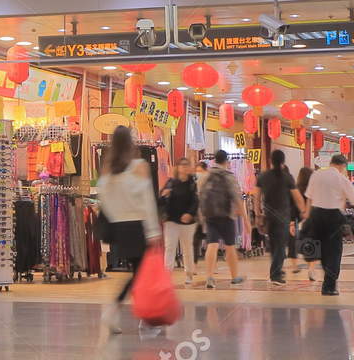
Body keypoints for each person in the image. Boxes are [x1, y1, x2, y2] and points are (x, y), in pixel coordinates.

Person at [96, 125, 161, 332]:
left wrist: (117, 218)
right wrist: (153, 231)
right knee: (141, 274)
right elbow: (147, 201)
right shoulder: (139, 166)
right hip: (138, 225)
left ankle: (130, 314)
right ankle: (126, 312)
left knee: (138, 273)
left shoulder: (108, 169)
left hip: (120, 228)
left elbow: (103, 199)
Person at [301, 153, 354, 295]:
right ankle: (329, 286)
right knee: (334, 252)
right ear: (342, 166)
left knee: (321, 249)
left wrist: (307, 216)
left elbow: (309, 198)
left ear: (331, 162)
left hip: (316, 215)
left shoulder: (316, 175)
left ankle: (325, 278)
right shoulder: (342, 179)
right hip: (333, 217)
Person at [198, 150, 248, 288]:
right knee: (230, 246)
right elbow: (237, 199)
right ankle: (234, 277)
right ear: (226, 161)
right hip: (226, 216)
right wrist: (245, 220)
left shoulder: (206, 175)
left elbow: (200, 195)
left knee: (212, 245)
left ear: (214, 160)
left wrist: (202, 215)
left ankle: (209, 277)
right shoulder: (229, 176)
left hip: (210, 215)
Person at [255, 149, 297, 285]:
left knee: (274, 245)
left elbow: (256, 196)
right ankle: (276, 274)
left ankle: (277, 270)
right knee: (279, 245)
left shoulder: (263, 176)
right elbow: (296, 196)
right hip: (283, 216)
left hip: (269, 216)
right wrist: (303, 210)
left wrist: (257, 213)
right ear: (283, 161)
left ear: (270, 161)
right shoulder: (287, 177)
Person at [159, 156, 200, 286]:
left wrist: (190, 213)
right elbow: (160, 200)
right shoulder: (171, 182)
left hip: (188, 222)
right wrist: (163, 195)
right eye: (182, 164)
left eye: (186, 164)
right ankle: (166, 276)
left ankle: (189, 274)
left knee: (187, 248)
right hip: (171, 220)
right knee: (170, 247)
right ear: (177, 167)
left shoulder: (192, 184)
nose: (184, 167)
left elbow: (195, 201)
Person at [291, 166, 321, 281]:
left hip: (302, 222)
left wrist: (292, 222)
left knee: (307, 245)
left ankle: (309, 267)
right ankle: (311, 269)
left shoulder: (296, 190)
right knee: (315, 245)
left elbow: (293, 208)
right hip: (315, 220)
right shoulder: (315, 189)